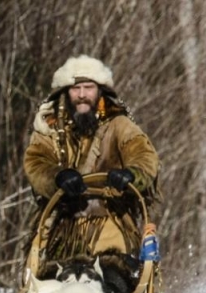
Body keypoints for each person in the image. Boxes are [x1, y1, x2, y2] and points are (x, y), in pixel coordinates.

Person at [23, 55, 160, 265]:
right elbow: (36, 163)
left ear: (100, 91)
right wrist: (57, 177)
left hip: (111, 219)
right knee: (40, 278)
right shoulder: (48, 128)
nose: (82, 95)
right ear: (65, 92)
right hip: (60, 223)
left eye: (88, 88)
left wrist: (132, 174)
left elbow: (144, 154)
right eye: (75, 88)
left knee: (116, 273)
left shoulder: (119, 125)